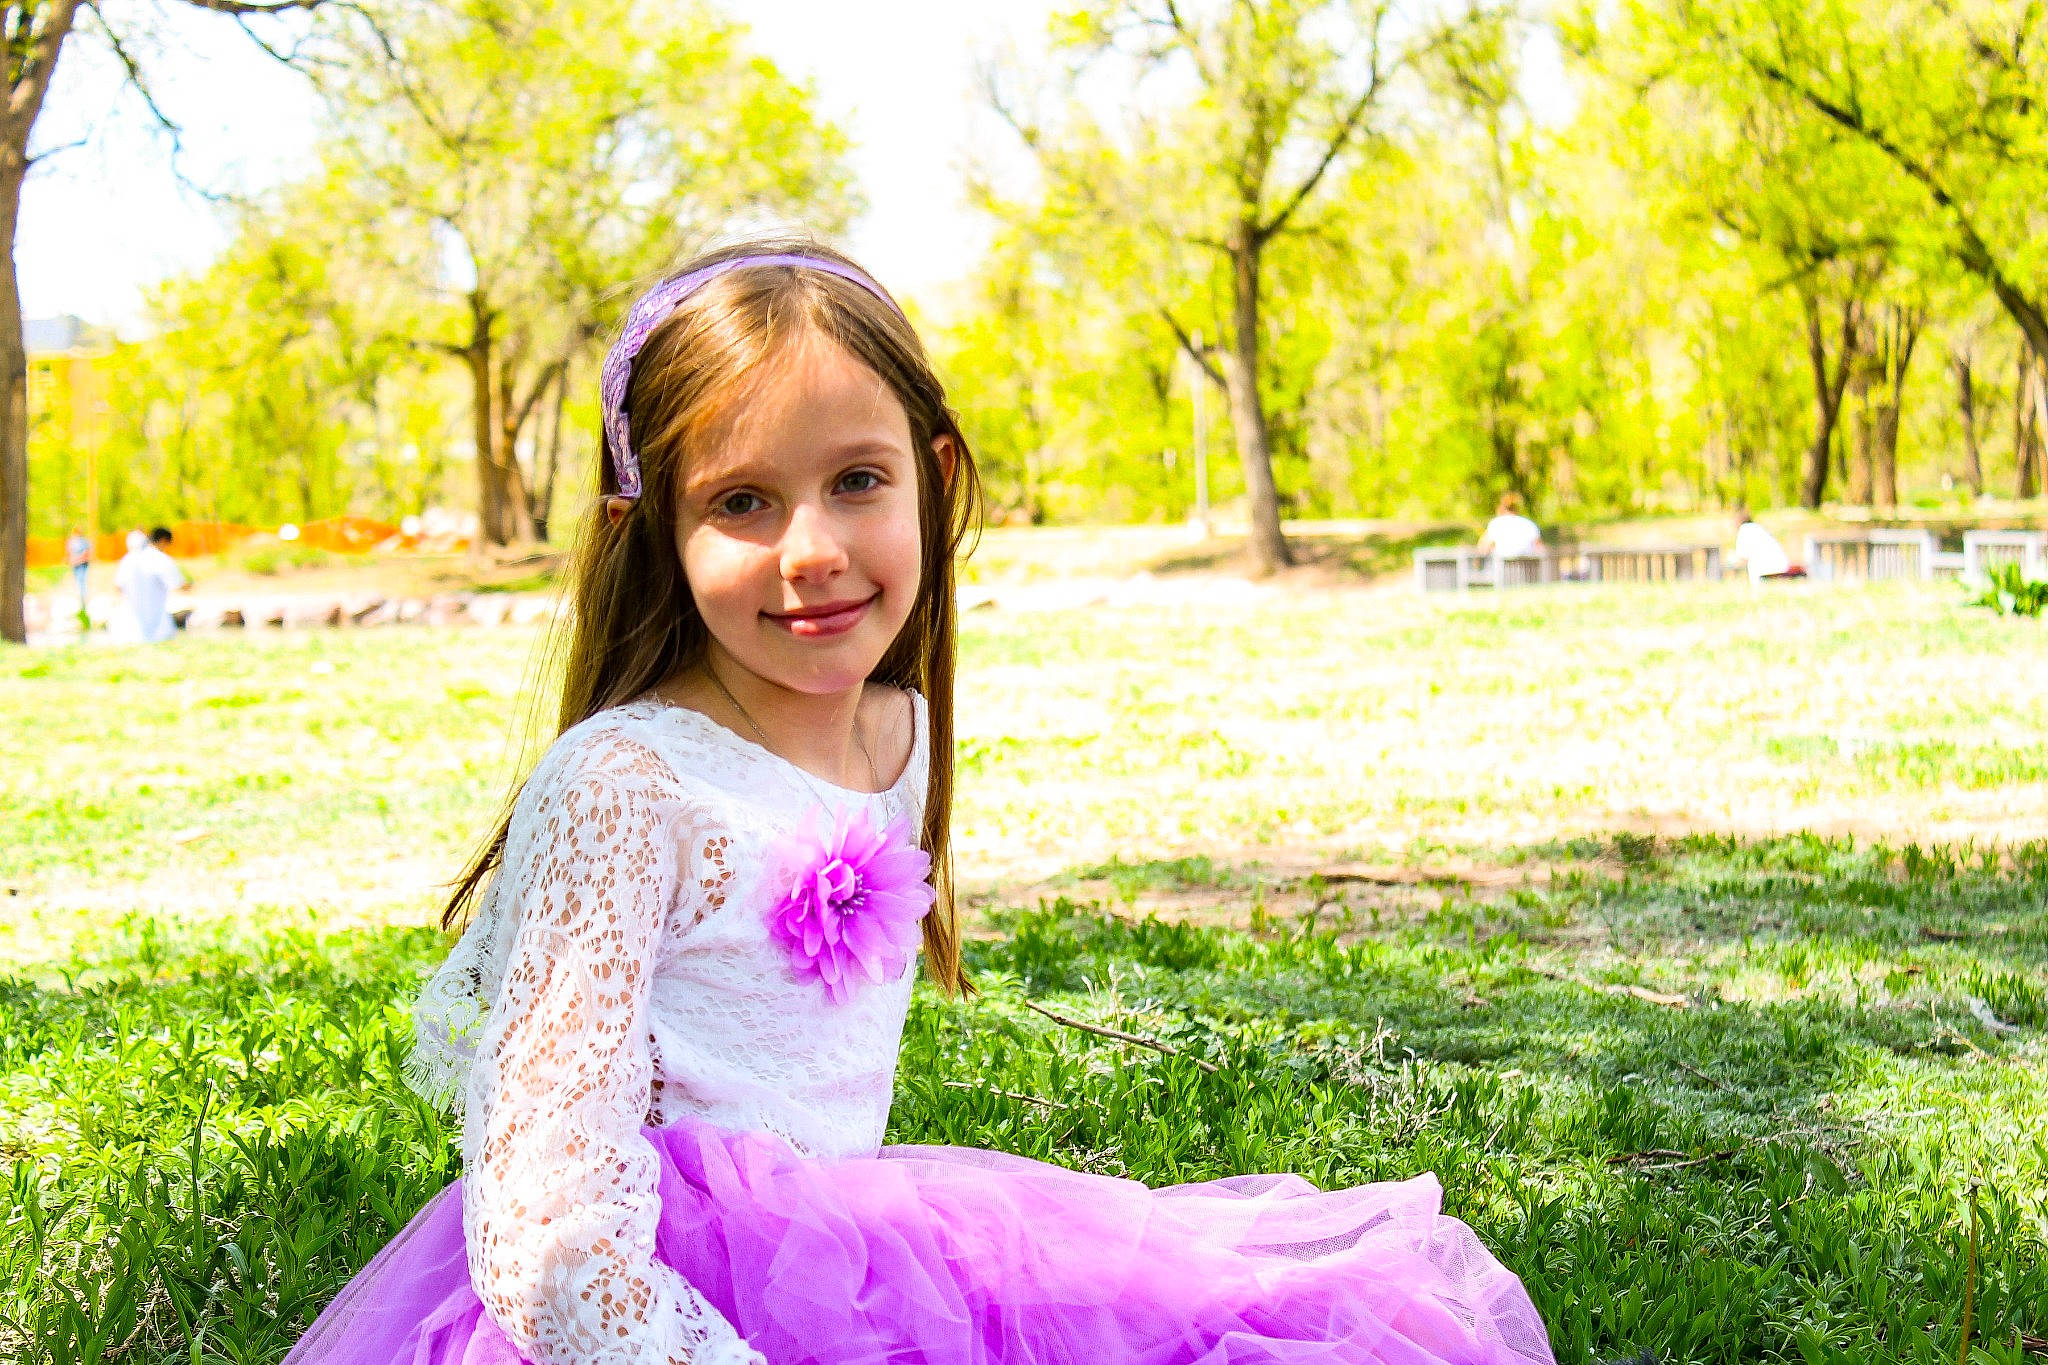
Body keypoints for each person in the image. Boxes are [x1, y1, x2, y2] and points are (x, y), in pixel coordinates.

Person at [282, 242, 1559, 1365]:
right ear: (654, 527)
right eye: (740, 501)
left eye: (855, 480)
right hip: (628, 1309)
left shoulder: (894, 728)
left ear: (932, 476)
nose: (813, 548)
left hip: (854, 1258)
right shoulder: (625, 787)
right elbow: (544, 1230)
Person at [112, 527, 185, 643]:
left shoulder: (126, 561)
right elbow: (177, 586)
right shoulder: (160, 559)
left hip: (129, 627)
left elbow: (117, 588)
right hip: (157, 624)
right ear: (163, 540)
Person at [1729, 506, 1804, 583]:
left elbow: (1742, 558)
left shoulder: (1744, 530)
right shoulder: (1759, 528)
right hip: (1781, 566)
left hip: (1766, 571)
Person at [65, 525, 93, 610]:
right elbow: (69, 552)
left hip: (81, 563)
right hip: (77, 563)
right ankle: (81, 597)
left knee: (81, 580)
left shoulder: (82, 542)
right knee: (79, 580)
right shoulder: (73, 542)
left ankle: (83, 597)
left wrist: (78, 559)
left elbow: (86, 552)